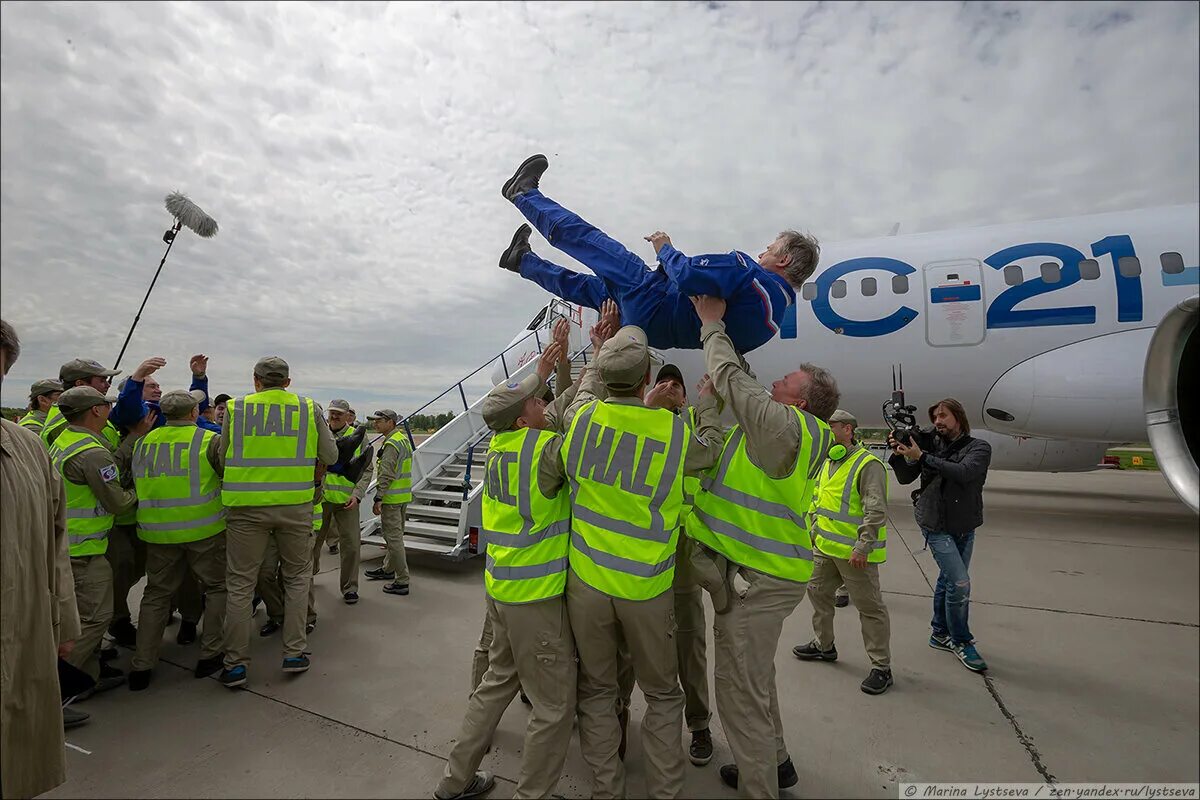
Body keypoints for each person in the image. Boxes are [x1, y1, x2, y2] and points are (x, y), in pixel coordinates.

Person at [687, 294, 839, 798]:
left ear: (799, 400)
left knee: (737, 693)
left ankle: (759, 787)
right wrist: (711, 398)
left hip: (760, 579)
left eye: (786, 383)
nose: (775, 383)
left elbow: (736, 380)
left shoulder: (781, 426)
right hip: (771, 572)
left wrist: (712, 325)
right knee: (757, 677)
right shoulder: (785, 433)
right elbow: (730, 408)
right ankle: (776, 762)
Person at [564, 324, 724, 799]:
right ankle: (665, 792)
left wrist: (597, 355)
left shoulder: (582, 419)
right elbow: (711, 452)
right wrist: (709, 403)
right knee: (662, 694)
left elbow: (580, 398)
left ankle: (607, 788)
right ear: (647, 379)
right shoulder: (674, 433)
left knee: (596, 691)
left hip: (588, 584)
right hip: (647, 587)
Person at [434, 337, 584, 800]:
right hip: (534, 598)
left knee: (496, 685)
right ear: (524, 420)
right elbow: (576, 414)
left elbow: (555, 406)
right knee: (555, 706)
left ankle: (454, 781)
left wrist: (545, 369)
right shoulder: (543, 451)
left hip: (501, 589)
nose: (543, 405)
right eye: (535, 403)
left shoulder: (502, 445)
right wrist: (596, 363)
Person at [499, 153, 820, 354]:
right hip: (650, 328)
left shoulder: (750, 274)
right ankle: (523, 261)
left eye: (770, 248)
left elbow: (689, 275)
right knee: (586, 288)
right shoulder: (771, 325)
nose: (763, 251)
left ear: (784, 260)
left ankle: (524, 194)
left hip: (651, 294)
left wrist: (665, 249)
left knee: (587, 241)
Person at [218, 356, 338, 688]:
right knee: (298, 578)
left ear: (256, 380)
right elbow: (331, 456)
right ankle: (294, 652)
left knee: (241, 585)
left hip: (245, 509)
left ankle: (235, 664)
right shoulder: (308, 408)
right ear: (287, 382)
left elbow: (221, 454)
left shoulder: (236, 409)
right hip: (295, 508)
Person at [0, 318, 82, 799]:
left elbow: (56, 542)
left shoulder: (29, 449)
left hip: (24, 636)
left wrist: (63, 623)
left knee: (16, 759)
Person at [47, 386, 151, 695]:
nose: (109, 410)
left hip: (67, 545)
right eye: (105, 406)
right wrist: (142, 492)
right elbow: (117, 501)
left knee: (80, 618)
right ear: (95, 411)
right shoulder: (92, 452)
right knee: (95, 618)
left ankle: (88, 675)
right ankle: (58, 688)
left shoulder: (64, 441)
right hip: (84, 550)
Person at [124, 389, 228, 690]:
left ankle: (142, 665)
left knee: (156, 595)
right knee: (218, 587)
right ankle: (211, 654)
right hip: (204, 531)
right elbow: (226, 474)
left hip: (157, 533)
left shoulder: (143, 443)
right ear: (194, 413)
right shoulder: (209, 440)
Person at [793, 409, 893, 695]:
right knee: (817, 594)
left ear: (848, 430)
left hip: (854, 555)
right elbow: (819, 501)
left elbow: (875, 510)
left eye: (831, 426)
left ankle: (881, 667)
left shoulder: (868, 464)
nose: (827, 431)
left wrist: (863, 545)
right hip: (824, 549)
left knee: (870, 608)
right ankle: (823, 645)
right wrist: (812, 534)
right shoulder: (828, 460)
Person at [889, 398, 992, 673]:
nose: (937, 421)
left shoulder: (978, 448)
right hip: (934, 523)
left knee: (948, 579)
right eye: (934, 417)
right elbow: (904, 478)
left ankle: (939, 633)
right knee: (959, 583)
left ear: (958, 418)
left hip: (964, 524)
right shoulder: (928, 445)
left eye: (943, 416)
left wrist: (922, 456)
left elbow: (964, 473)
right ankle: (960, 640)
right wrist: (900, 453)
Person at [644, 363, 714, 766]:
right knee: (634, 649)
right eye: (662, 383)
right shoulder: (639, 428)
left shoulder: (692, 432)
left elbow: (710, 453)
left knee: (691, 648)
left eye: (677, 385)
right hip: (644, 559)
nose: (670, 388)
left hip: (683, 560)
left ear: (686, 398)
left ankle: (699, 724)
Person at [318, 398, 374, 603]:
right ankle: (309, 576)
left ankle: (350, 587)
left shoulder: (357, 437)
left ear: (347, 415)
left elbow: (367, 469)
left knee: (351, 546)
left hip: (346, 501)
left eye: (338, 414)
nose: (334, 416)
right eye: (331, 412)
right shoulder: (320, 433)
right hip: (320, 501)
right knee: (312, 545)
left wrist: (357, 494)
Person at [365, 409, 414, 596]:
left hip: (392, 499)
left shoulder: (392, 444)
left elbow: (386, 474)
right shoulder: (402, 439)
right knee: (396, 537)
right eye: (374, 421)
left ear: (391, 422)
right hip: (402, 497)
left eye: (379, 421)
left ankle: (402, 580)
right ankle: (387, 569)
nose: (375, 424)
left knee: (393, 540)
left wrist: (379, 497)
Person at [40, 357, 134, 449]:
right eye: (102, 381)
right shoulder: (72, 419)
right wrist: (136, 434)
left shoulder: (84, 411)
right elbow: (102, 459)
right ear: (80, 384)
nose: (108, 385)